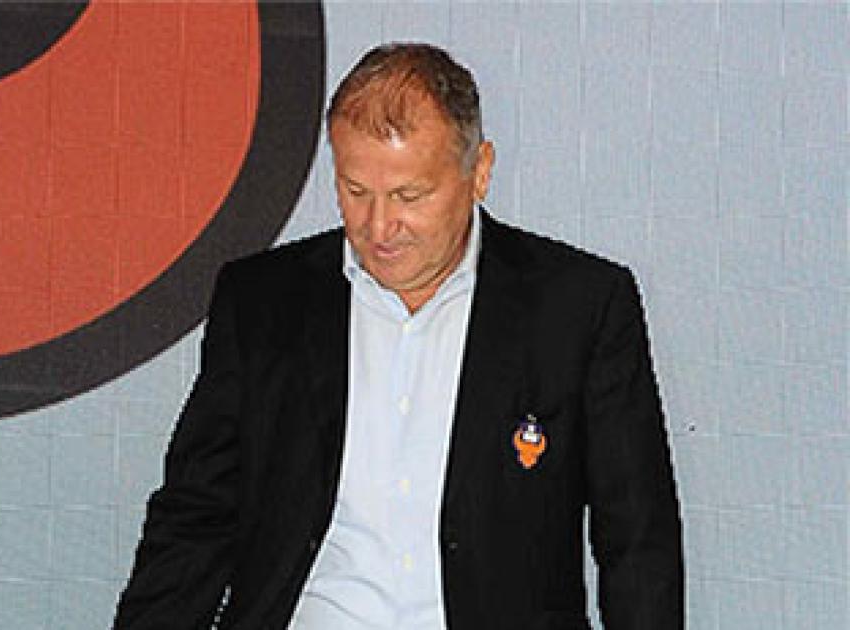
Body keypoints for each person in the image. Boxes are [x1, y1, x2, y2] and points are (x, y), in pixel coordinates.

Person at [114, 43, 683, 630]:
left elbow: (637, 539)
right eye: (355, 191)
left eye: (410, 196)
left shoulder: (578, 308)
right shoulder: (263, 302)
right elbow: (196, 516)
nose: (379, 227)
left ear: (479, 172)